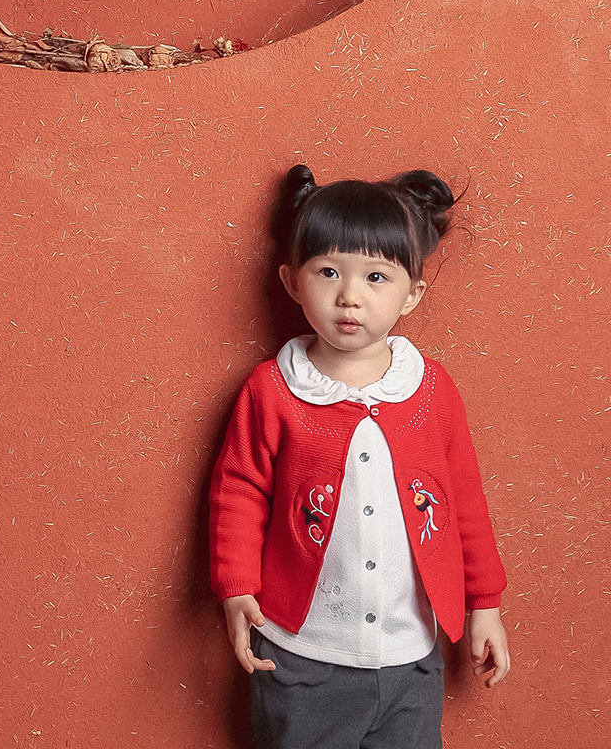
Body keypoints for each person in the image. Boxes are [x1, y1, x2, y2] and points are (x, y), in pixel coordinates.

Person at [209, 165, 510, 749]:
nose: (350, 296)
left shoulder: (430, 392)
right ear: (292, 281)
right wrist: (235, 585)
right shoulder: (273, 390)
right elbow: (240, 489)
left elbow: (464, 502)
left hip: (410, 661)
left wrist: (484, 605)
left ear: (412, 294)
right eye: (328, 273)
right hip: (301, 658)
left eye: (377, 276)